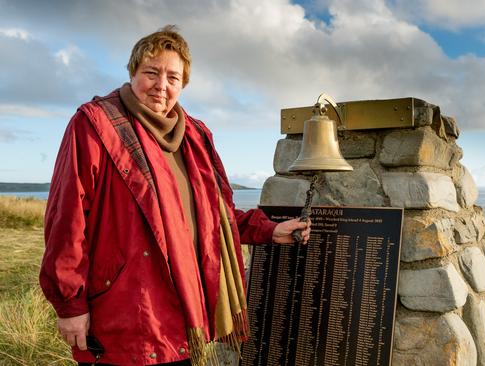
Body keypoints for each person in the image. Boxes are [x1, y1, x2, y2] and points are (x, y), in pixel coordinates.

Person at [39, 25, 310, 366]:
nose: (161, 86)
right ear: (133, 71)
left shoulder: (196, 135)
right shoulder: (95, 126)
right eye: (151, 72)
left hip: (181, 314)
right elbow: (68, 219)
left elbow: (217, 214)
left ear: (184, 84)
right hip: (124, 312)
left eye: (173, 77)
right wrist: (71, 305)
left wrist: (269, 230)